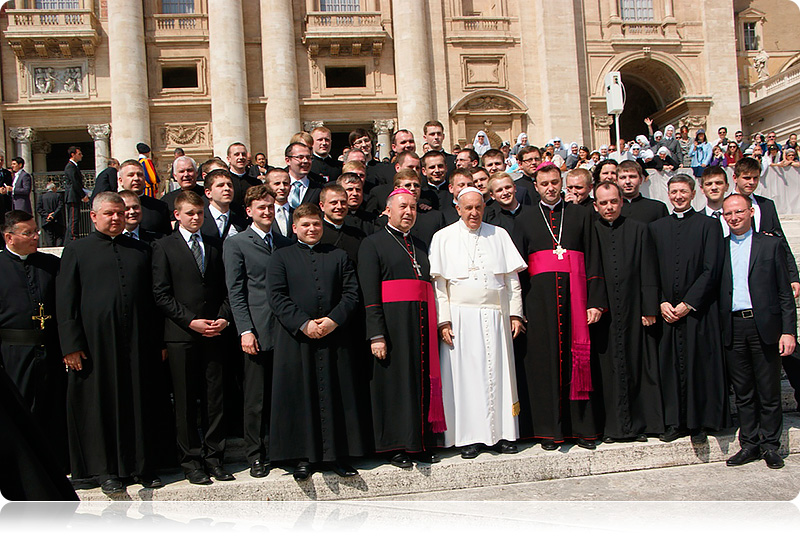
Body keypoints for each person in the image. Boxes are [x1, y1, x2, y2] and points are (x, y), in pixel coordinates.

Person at [57, 192, 163, 494]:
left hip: (136, 341)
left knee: (138, 402)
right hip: (94, 346)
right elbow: (66, 301)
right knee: (99, 405)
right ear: (94, 216)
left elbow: (151, 300)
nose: (116, 218)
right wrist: (71, 345)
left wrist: (157, 341)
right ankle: (106, 471)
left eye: (120, 213)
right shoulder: (77, 250)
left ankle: (142, 466)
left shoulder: (141, 249)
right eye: (109, 214)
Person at [267, 203, 365, 480]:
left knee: (337, 393)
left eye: (316, 224)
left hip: (335, 336)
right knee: (300, 396)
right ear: (295, 228)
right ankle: (302, 458)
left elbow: (351, 293)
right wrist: (304, 324)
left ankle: (337, 456)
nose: (312, 229)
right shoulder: (280, 257)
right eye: (306, 225)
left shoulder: (339, 255)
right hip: (296, 339)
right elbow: (276, 296)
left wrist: (333, 320)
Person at [429, 187, 526, 458]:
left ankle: (504, 434)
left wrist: (515, 314)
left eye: (478, 207)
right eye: (468, 208)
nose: (474, 213)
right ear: (458, 209)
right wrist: (443, 320)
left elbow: (512, 282)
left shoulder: (499, 235)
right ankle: (467, 438)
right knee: (465, 379)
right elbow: (440, 286)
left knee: (500, 375)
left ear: (485, 207)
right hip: (460, 318)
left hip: (496, 315)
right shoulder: (443, 237)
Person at [515, 163, 607, 450]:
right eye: (545, 184)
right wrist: (520, 310)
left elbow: (593, 258)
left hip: (577, 302)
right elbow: (518, 270)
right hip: (539, 305)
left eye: (555, 182)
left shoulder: (581, 215)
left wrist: (596, 302)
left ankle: (583, 430)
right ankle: (549, 432)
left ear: (562, 183)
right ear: (536, 186)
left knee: (579, 362)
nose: (551, 188)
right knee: (545, 365)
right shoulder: (525, 218)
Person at [358, 187, 445, 467]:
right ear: (389, 210)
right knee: (394, 386)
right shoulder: (372, 244)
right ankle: (394, 447)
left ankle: (417, 443)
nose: (408, 212)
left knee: (418, 383)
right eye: (403, 207)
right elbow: (369, 295)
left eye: (413, 208)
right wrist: (377, 334)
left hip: (420, 325)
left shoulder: (420, 245)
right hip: (392, 328)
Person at [152, 190, 233, 486]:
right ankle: (191, 461)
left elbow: (226, 287)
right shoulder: (163, 246)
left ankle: (215, 458)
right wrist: (190, 321)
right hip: (181, 335)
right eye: (190, 213)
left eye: (199, 213)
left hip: (214, 331)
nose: (196, 218)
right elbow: (161, 293)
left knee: (215, 399)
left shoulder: (214, 245)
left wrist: (223, 316)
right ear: (177, 215)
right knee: (186, 400)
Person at [648, 174, 729, 442]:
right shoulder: (657, 228)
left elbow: (711, 270)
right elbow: (651, 272)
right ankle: (674, 422)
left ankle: (699, 422)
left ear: (694, 193)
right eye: (673, 192)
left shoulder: (709, 226)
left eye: (683, 191)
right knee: (669, 369)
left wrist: (688, 304)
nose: (678, 196)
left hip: (698, 312)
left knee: (699, 367)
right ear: (668, 195)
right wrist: (661, 301)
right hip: (668, 312)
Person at [720, 194, 796, 470]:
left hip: (764, 326)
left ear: (750, 212)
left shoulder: (770, 245)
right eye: (728, 214)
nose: (734, 217)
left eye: (739, 212)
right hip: (733, 326)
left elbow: (785, 294)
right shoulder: (720, 247)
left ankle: (770, 445)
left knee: (768, 390)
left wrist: (789, 331)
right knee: (743, 391)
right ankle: (749, 443)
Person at [224, 185, 292, 479]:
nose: (267, 212)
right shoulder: (237, 243)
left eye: (270, 207)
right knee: (256, 398)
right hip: (257, 331)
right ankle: (256, 454)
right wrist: (245, 330)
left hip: (287, 331)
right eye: (261, 208)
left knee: (284, 393)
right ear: (249, 211)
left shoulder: (285, 242)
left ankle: (283, 449)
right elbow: (236, 291)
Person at [591, 183, 663, 442]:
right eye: (603, 203)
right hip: (605, 312)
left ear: (621, 202)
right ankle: (611, 429)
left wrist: (649, 307)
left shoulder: (639, 230)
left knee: (636, 365)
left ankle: (638, 426)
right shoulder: (592, 231)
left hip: (634, 309)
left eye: (613, 201)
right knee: (607, 369)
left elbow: (648, 268)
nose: (609, 207)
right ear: (595, 205)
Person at [0, 210, 67, 468]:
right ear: (9, 237)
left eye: (36, 231)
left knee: (52, 407)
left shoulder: (49, 264)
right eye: (28, 233)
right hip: (13, 353)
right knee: (19, 409)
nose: (35, 237)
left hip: (49, 347)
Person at [117, 159, 172, 236]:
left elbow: (167, 238)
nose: (136, 178)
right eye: (131, 175)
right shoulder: (113, 207)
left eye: (140, 175)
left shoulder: (159, 207)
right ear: (120, 180)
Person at [318, 183, 366, 264]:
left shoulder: (358, 235)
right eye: (334, 203)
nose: (339, 207)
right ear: (322, 206)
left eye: (343, 202)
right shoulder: (316, 234)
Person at [201, 169, 247, 239]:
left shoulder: (240, 221)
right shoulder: (200, 219)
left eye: (230, 185)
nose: (227, 188)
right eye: (220, 185)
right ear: (208, 193)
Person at [227, 142, 262, 213]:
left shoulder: (256, 183)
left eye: (243, 154)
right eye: (236, 154)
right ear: (229, 159)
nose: (241, 157)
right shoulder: (225, 182)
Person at [285, 142, 322, 209]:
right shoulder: (277, 186)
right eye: (300, 157)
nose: (305, 161)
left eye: (308, 157)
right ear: (288, 161)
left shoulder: (318, 188)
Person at [63, 145, 87, 242]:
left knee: (75, 218)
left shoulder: (74, 166)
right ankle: (73, 238)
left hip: (74, 195)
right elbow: (75, 182)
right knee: (73, 219)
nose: (81, 156)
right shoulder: (70, 167)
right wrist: (83, 195)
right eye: (79, 154)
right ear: (73, 155)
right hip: (72, 196)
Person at [700, 166, 731, 237]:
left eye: (718, 183)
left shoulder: (736, 218)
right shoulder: (696, 221)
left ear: (727, 186)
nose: (714, 188)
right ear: (702, 189)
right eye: (709, 184)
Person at [266, 168, 295, 240]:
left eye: (285, 184)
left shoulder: (297, 214)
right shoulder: (262, 215)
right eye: (277, 183)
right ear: (267, 186)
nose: (282, 187)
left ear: (290, 187)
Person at [36, 181, 65, 247]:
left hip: (47, 220)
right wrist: (53, 215)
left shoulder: (41, 197)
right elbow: (60, 206)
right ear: (53, 188)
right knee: (59, 236)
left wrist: (47, 215)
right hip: (57, 220)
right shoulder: (58, 196)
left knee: (49, 237)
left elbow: (38, 208)